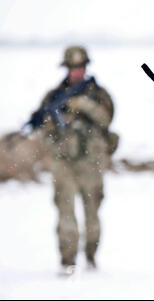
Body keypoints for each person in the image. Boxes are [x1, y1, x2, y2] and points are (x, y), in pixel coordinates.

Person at [25, 45, 117, 275]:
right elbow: (43, 127)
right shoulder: (54, 96)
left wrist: (81, 104)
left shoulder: (98, 94)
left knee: (92, 214)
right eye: (72, 67)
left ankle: (91, 257)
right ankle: (67, 261)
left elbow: (106, 119)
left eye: (80, 67)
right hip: (63, 162)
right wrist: (51, 129)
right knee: (65, 213)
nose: (76, 71)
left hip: (91, 163)